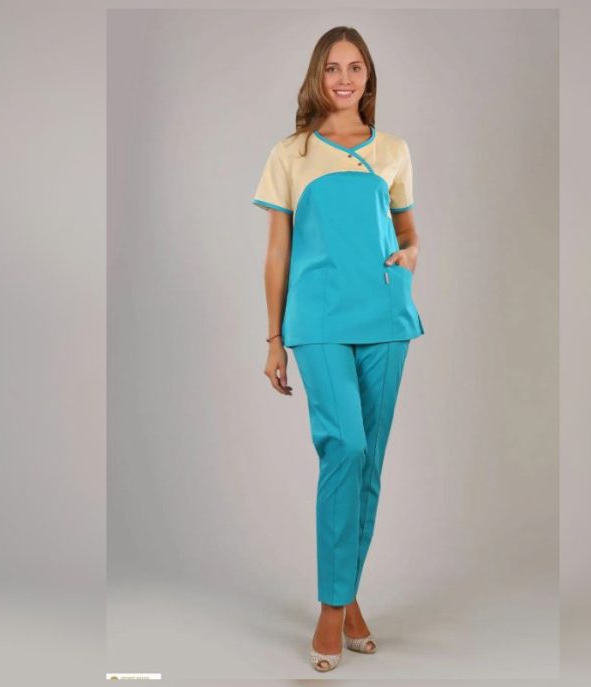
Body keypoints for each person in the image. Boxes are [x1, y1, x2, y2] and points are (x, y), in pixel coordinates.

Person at [252, 26, 425, 672]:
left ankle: (348, 594)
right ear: (317, 77)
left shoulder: (393, 150)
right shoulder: (290, 153)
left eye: (355, 67)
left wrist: (410, 255)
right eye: (333, 68)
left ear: (368, 76)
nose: (344, 78)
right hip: (318, 316)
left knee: (369, 461)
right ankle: (333, 606)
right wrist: (274, 337)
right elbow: (277, 251)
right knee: (344, 446)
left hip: (385, 315)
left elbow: (408, 231)